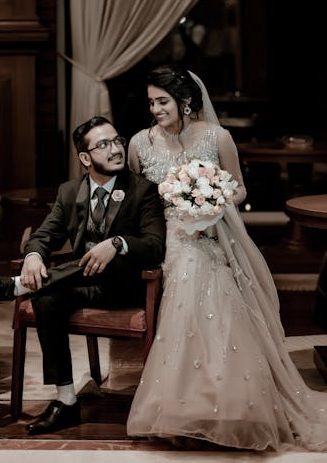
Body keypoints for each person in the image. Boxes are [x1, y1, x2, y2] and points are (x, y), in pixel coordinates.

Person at [126, 65, 327, 452]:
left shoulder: (218, 137)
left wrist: (211, 201)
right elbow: (137, 201)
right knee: (187, 267)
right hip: (163, 234)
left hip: (210, 233)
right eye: (151, 102)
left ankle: (222, 404)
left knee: (203, 272)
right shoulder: (140, 143)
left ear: (185, 101)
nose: (156, 110)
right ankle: (181, 408)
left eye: (162, 101)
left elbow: (239, 188)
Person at [0, 115, 166, 435]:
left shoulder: (142, 191)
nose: (116, 149)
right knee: (46, 298)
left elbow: (154, 246)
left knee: (46, 286)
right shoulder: (70, 192)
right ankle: (66, 399)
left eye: (117, 141)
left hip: (124, 286)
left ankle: (15, 287)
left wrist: (118, 244)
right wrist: (35, 257)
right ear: (85, 157)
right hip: (81, 284)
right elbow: (43, 235)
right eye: (103, 145)